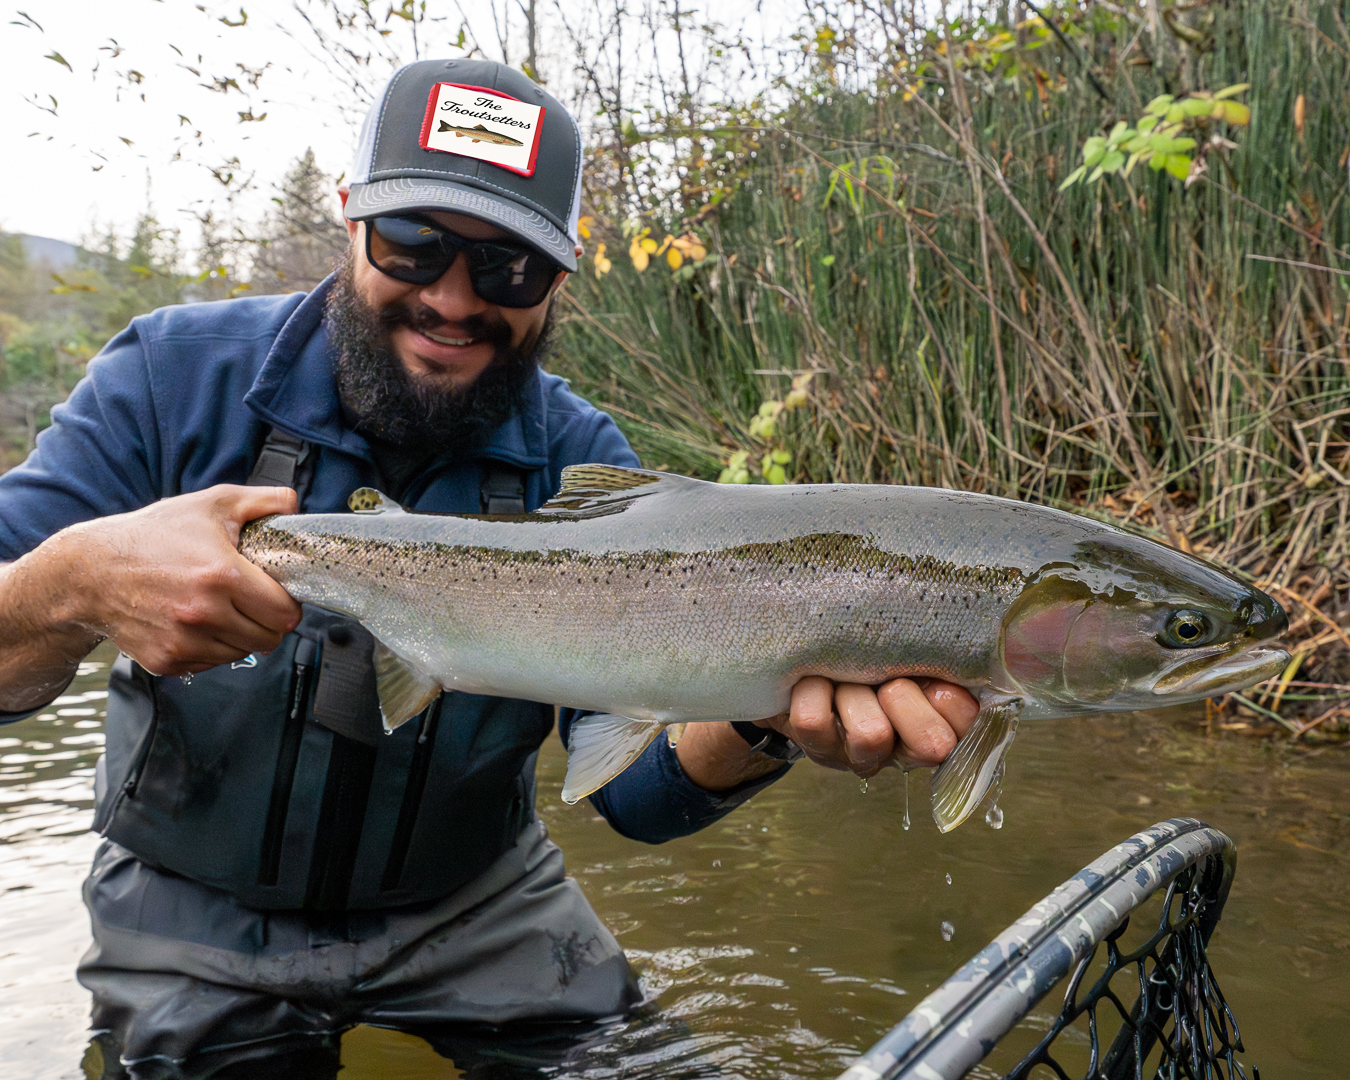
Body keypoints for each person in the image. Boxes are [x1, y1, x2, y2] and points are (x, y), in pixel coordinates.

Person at [0, 60, 978, 1077]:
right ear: (349, 220)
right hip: (186, 912)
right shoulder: (168, 381)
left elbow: (634, 803)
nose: (454, 300)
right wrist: (71, 583)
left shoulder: (587, 469)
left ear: (557, 278)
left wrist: (759, 713)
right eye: (414, 245)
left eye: (508, 268)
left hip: (481, 903)